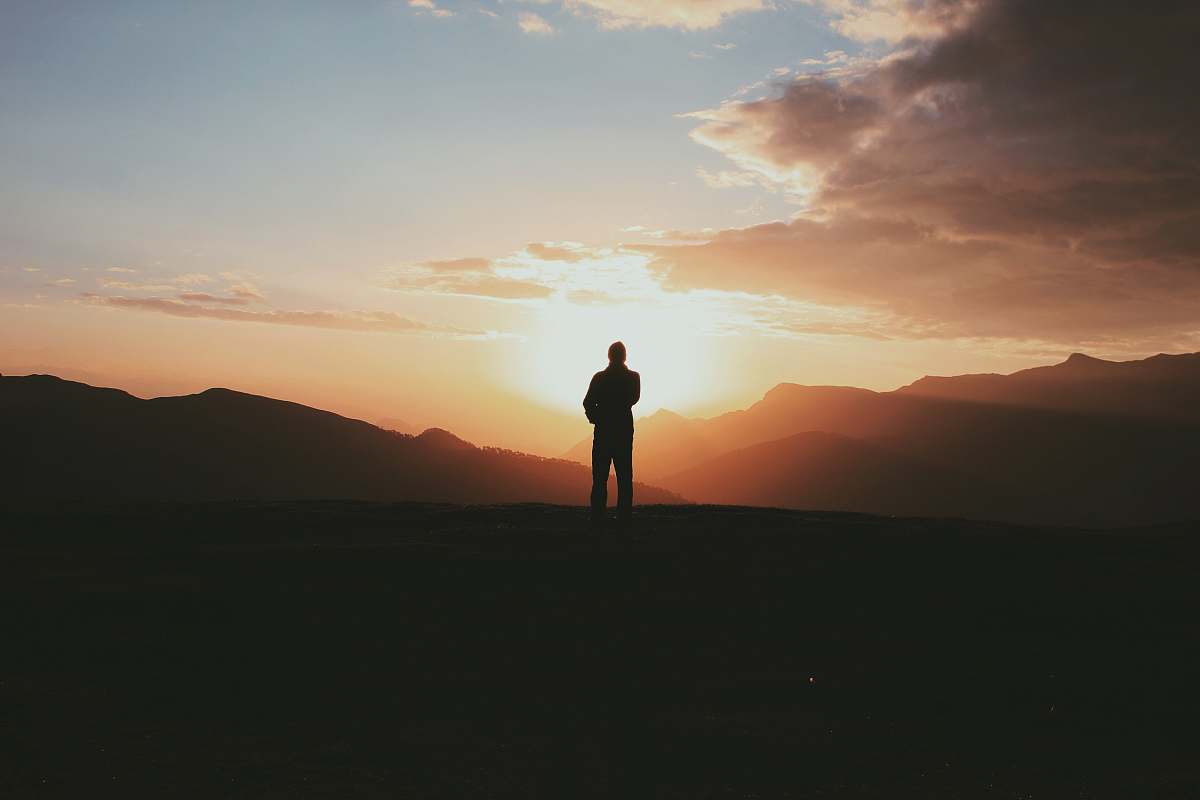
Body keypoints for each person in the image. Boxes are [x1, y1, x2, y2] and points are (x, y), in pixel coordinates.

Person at [583, 341, 640, 523]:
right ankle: (624, 517)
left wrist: (597, 418)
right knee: (624, 477)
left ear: (609, 356)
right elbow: (633, 398)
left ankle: (597, 516)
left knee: (599, 478)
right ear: (624, 356)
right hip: (623, 432)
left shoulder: (599, 378)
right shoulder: (633, 378)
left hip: (603, 433)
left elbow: (588, 403)